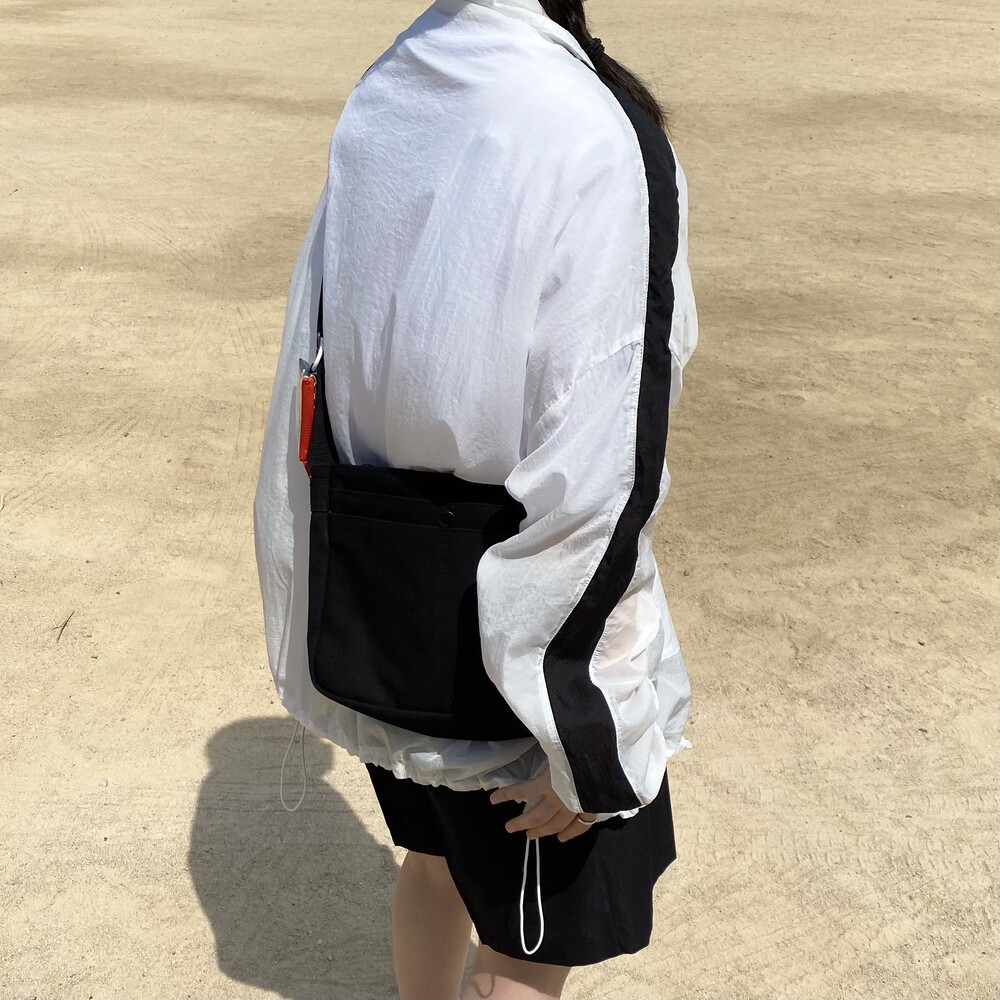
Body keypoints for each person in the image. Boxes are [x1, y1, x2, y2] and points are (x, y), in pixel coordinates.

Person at [253, 0, 699, 997]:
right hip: (521, 633)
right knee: (526, 950)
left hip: (377, 593)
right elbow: (600, 455)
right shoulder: (592, 131)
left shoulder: (394, 79)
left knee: (434, 860)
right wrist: (589, 726)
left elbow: (319, 355)